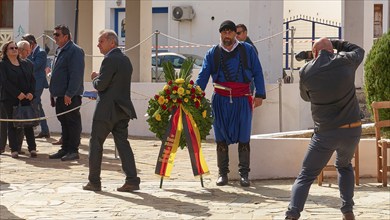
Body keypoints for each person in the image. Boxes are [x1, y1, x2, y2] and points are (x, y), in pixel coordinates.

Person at [284, 38, 365, 220]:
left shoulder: (306, 71)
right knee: (344, 166)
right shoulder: (346, 60)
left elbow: (306, 97)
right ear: (332, 50)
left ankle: (292, 214)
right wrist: (336, 43)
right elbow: (359, 49)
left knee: (306, 175)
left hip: (326, 134)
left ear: (314, 53)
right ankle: (347, 211)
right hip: (352, 130)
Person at [195, 20, 266, 187]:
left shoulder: (247, 50)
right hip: (220, 100)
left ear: (235, 33)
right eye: (223, 32)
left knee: (244, 135)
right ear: (220, 34)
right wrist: (194, 95)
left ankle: (244, 174)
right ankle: (222, 174)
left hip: (243, 99)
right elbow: (203, 75)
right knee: (220, 135)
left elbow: (257, 72)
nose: (226, 34)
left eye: (230, 31)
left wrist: (260, 94)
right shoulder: (212, 53)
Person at [83, 30, 139, 192]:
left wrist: (95, 77)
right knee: (123, 144)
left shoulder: (109, 60)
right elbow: (114, 85)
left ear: (112, 43)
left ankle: (94, 181)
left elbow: (101, 84)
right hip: (122, 109)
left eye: (101, 41)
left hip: (106, 111)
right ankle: (132, 179)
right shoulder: (126, 60)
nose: (98, 45)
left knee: (96, 143)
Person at [48, 25, 84, 161]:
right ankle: (65, 148)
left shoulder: (75, 51)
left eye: (57, 34)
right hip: (60, 95)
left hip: (70, 96)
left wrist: (70, 93)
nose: (54, 37)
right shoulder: (60, 50)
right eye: (54, 34)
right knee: (64, 122)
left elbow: (76, 74)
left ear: (66, 36)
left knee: (72, 122)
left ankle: (73, 150)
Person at [0, 41, 37, 158]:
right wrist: (17, 93)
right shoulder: (3, 64)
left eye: (16, 47)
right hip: (10, 98)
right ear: (6, 51)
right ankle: (14, 149)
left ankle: (32, 148)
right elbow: (4, 82)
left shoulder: (26, 63)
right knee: (12, 124)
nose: (15, 49)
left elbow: (32, 80)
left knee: (28, 123)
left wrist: (31, 92)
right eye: (11, 48)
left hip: (26, 97)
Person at [22, 34, 51, 139]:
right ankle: (44, 130)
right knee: (38, 105)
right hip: (32, 83)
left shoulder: (41, 52)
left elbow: (35, 66)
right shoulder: (33, 52)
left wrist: (26, 55)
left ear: (32, 43)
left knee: (33, 103)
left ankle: (29, 128)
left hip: (38, 83)